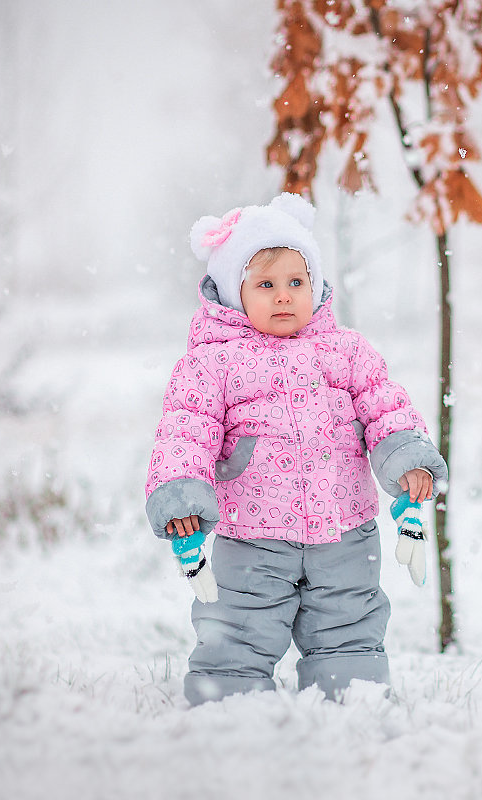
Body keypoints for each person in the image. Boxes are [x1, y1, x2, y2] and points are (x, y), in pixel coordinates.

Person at [144, 192, 447, 707]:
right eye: (265, 284)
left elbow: (384, 405)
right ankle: (231, 703)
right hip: (253, 534)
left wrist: (407, 458)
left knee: (348, 624)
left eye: (296, 282)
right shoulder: (213, 363)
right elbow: (185, 430)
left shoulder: (345, 350)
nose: (284, 296)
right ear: (231, 290)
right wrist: (181, 495)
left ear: (316, 285)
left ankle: (352, 699)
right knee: (237, 627)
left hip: (345, 530)